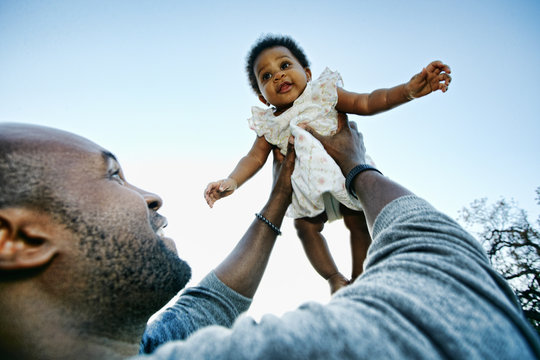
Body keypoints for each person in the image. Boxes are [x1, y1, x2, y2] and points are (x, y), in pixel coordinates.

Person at [0, 122, 295, 360]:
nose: (153, 198)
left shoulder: (150, 347)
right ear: (18, 240)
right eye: (114, 176)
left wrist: (279, 197)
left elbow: (212, 305)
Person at [204, 34, 452, 293]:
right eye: (266, 76)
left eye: (285, 65)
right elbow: (253, 158)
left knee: (357, 219)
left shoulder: (323, 94)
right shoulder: (270, 123)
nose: (277, 75)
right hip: (305, 191)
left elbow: (366, 101)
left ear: (308, 73)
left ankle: (360, 274)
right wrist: (232, 181)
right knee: (305, 227)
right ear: (262, 98)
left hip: (341, 175)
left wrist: (407, 91)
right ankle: (333, 277)